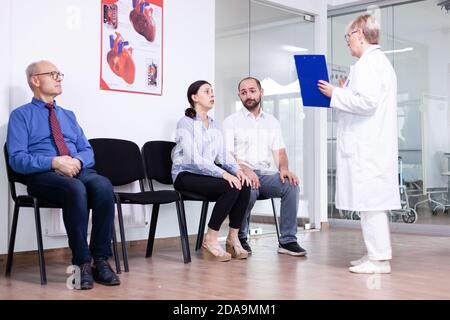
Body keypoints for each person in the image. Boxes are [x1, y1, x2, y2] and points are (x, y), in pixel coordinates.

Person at [6, 60, 120, 289]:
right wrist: (54, 161)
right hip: (44, 176)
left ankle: (100, 259)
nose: (59, 78)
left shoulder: (68, 115)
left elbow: (88, 150)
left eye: (60, 74)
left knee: (103, 185)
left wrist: (76, 161)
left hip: (77, 170)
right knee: (75, 188)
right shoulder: (20, 116)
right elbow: (16, 158)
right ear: (35, 80)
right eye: (53, 74)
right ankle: (81, 263)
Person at [318, 14, 400, 274]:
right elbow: (364, 100)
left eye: (348, 37)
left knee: (371, 203)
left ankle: (379, 260)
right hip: (369, 146)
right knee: (368, 204)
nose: (347, 42)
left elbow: (366, 103)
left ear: (360, 35)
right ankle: (373, 253)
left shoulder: (369, 64)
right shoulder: (374, 63)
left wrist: (336, 93)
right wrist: (345, 92)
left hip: (368, 148)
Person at [223, 77, 306, 257]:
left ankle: (288, 240)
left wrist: (283, 168)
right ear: (239, 96)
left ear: (261, 92)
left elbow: (280, 152)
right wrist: (246, 170)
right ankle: (240, 237)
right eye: (243, 93)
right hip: (242, 174)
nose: (248, 96)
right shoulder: (231, 122)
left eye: (252, 91)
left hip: (266, 175)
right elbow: (227, 156)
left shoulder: (272, 122)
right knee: (248, 189)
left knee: (291, 185)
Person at [172, 80, 251, 262]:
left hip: (206, 174)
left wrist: (237, 170)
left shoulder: (215, 126)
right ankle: (211, 239)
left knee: (243, 183)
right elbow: (194, 159)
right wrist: (223, 173)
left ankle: (233, 237)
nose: (212, 95)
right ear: (194, 97)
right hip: (185, 175)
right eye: (207, 92)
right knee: (230, 187)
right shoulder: (185, 123)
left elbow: (223, 155)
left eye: (212, 91)